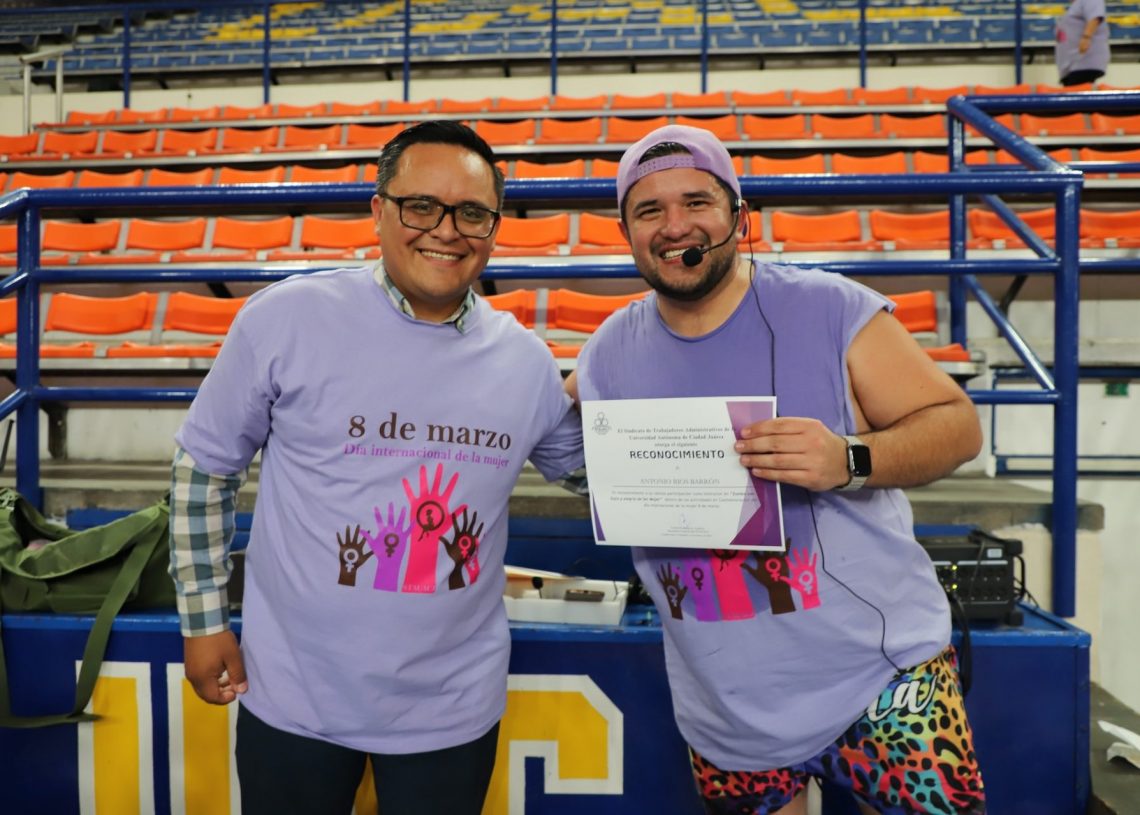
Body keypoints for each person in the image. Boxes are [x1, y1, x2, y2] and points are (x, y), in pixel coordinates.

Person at [168, 120, 584, 815]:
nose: (445, 230)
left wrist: (626, 387)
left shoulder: (525, 361)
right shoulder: (286, 319)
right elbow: (204, 468)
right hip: (293, 695)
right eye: (421, 206)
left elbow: (596, 478)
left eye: (471, 213)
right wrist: (203, 620)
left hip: (452, 710)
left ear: (494, 227)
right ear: (378, 210)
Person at [569, 124, 987, 815]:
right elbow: (552, 431)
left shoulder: (830, 308)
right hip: (727, 702)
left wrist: (850, 458)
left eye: (697, 202)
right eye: (649, 210)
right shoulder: (609, 350)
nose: (675, 225)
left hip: (881, 680)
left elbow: (957, 425)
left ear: (740, 216)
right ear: (626, 232)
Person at [1055, 0, 1110, 86]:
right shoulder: (1076, 5)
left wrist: (1086, 38)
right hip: (1073, 65)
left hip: (1084, 61)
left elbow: (1095, 17)